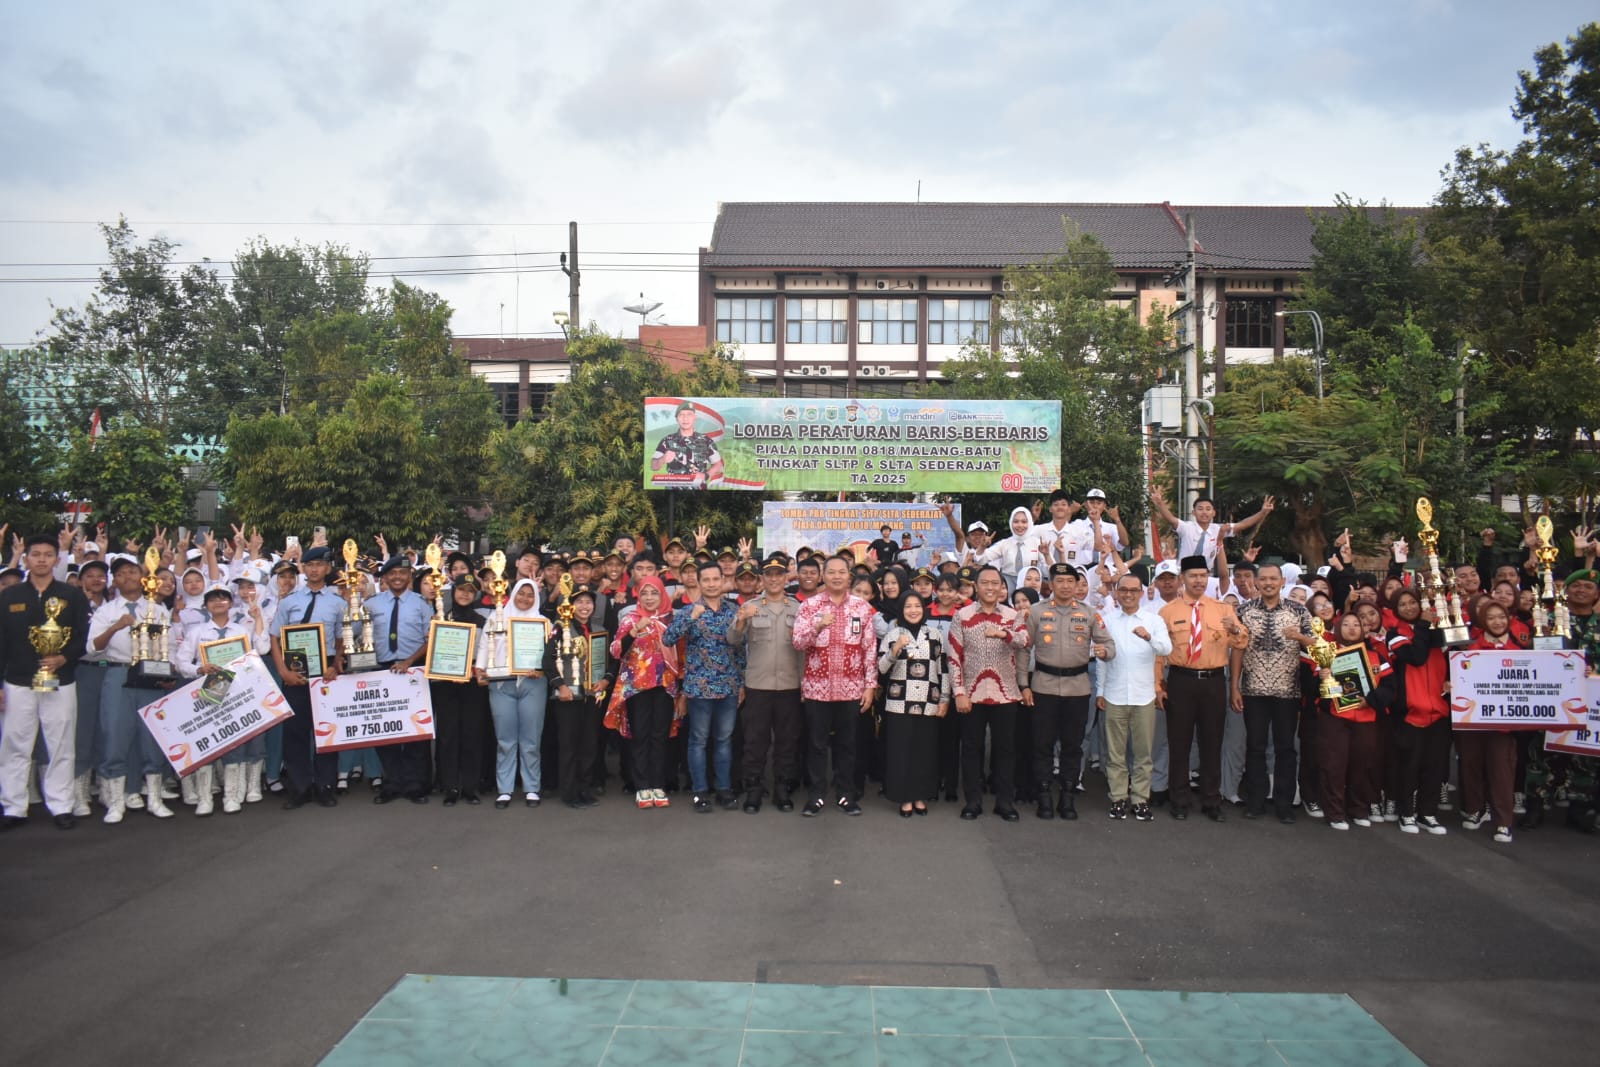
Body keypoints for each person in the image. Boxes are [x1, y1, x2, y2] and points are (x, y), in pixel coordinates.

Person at [0, 535, 92, 831]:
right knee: (16, 743)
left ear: (56, 559)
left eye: (47, 554)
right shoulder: (10, 596)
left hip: (59, 681)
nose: (41, 559)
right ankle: (14, 806)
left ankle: (61, 804)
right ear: (25, 558)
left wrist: (64, 658)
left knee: (61, 743)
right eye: (35, 554)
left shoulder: (72, 595)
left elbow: (81, 637)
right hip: (18, 681)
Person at [1158, 555, 1250, 822]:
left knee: (1212, 741)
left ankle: (1212, 800)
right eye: (1192, 576)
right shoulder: (1168, 611)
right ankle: (1179, 799)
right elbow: (1158, 655)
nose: (1198, 580)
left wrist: (1236, 629)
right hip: (1180, 680)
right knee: (1179, 742)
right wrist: (1158, 686)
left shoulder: (1222, 609)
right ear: (1182, 579)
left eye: (1202, 575)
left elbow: (1241, 643)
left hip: (1213, 681)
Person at [1021, 563, 1115, 821]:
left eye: (1069, 581)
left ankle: (1067, 796)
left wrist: (1105, 651)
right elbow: (1023, 649)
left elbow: (1108, 643)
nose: (1064, 586)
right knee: (1042, 744)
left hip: (1077, 688)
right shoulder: (1037, 612)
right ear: (1050, 585)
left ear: (1076, 585)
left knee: (1073, 746)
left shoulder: (1089, 613)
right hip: (1044, 686)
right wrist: (1023, 685)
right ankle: (1043, 796)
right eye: (1059, 581)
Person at [1230, 563, 1318, 824]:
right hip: (1253, 689)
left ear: (1282, 582)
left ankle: (1284, 803)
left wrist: (1300, 638)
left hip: (1287, 692)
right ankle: (1255, 801)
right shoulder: (1244, 611)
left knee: (1286, 749)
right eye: (1264, 579)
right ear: (1256, 582)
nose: (1268, 583)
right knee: (1255, 747)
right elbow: (1237, 649)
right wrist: (1234, 686)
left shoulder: (1299, 611)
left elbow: (1317, 646)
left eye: (1273, 579)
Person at [791, 555, 878, 817]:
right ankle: (816, 795)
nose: (837, 576)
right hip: (818, 689)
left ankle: (845, 794)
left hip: (851, 689)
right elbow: (798, 643)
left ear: (849, 576)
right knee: (816, 745)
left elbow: (870, 648)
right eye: (832, 572)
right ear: (823, 576)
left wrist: (870, 685)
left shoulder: (861, 607)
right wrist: (818, 625)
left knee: (847, 745)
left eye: (842, 572)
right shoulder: (809, 606)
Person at [174, 584, 269, 814]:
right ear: (206, 606)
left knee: (235, 742)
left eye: (223, 598)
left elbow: (263, 648)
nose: (218, 602)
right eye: (213, 599)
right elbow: (180, 662)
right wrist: (199, 668)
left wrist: (258, 620)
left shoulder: (240, 631)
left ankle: (231, 796)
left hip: (238, 692)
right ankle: (205, 798)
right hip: (209, 693)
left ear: (231, 603)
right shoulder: (196, 632)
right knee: (207, 743)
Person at [949, 565, 1031, 821]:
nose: (990, 588)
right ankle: (972, 801)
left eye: (995, 583)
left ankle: (1004, 802)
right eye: (985, 583)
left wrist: (1003, 633)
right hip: (971, 695)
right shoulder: (962, 615)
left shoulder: (1012, 615)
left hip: (1005, 693)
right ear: (976, 586)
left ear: (1001, 587)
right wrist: (959, 692)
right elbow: (953, 657)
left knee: (1005, 750)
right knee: (971, 749)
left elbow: (1025, 641)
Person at [661, 560, 744, 813]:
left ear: (723, 581)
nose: (711, 584)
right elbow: (668, 638)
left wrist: (742, 683)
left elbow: (741, 650)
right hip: (699, 687)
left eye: (715, 579)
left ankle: (724, 789)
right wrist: (689, 620)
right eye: (705, 580)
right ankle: (699, 791)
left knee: (724, 740)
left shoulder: (733, 610)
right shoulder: (689, 610)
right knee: (698, 740)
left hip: (729, 685)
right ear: (698, 582)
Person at [270, 544, 348, 810]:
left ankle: (325, 785)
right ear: (303, 568)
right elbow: (275, 636)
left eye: (320, 565)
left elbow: (341, 638)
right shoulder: (290, 601)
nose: (315, 569)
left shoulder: (338, 603)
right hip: (294, 669)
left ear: (327, 569)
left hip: (324, 669)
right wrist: (283, 671)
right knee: (295, 732)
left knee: (327, 729)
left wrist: (336, 664)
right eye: (310, 565)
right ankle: (299, 787)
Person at [727, 556, 805, 813]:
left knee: (787, 741)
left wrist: (805, 683)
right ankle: (753, 790)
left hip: (789, 685)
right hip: (758, 685)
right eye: (769, 574)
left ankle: (782, 789)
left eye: (778, 574)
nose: (773, 579)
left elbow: (805, 650)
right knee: (755, 741)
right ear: (762, 579)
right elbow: (733, 640)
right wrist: (741, 620)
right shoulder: (750, 606)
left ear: (785, 578)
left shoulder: (797, 608)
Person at [1098, 572, 1173, 820]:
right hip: (1115, 694)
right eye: (1124, 590)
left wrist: (1149, 637)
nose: (1128, 595)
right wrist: (1100, 691)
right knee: (1115, 753)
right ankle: (1118, 797)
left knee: (1143, 753)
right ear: (1117, 593)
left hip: (1143, 695)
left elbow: (1167, 648)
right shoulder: (1108, 620)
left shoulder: (1153, 620)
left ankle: (1141, 799)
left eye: (1133, 590)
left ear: (1141, 593)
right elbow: (1101, 659)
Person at [1314, 612, 1395, 831]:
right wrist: (1323, 679)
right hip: (1335, 718)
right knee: (1334, 766)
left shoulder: (1376, 656)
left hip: (1367, 719)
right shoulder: (1326, 655)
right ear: (1338, 628)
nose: (1351, 628)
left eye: (1356, 625)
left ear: (1363, 629)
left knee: (1363, 765)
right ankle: (1335, 812)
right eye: (1346, 624)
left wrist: (1369, 701)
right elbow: (1314, 690)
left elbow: (1390, 688)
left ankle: (1358, 809)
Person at [606, 576, 681, 809]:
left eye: (654, 593)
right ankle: (642, 786)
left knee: (660, 736)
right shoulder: (631, 619)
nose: (649, 598)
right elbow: (616, 650)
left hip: (665, 687)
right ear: (639, 595)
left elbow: (682, 652)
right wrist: (633, 632)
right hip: (637, 687)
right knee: (640, 736)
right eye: (645, 593)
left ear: (662, 595)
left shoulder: (672, 620)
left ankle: (657, 784)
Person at [366, 556, 436, 805]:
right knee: (387, 731)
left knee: (415, 730)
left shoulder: (421, 604)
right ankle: (392, 783)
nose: (397, 577)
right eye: (392, 573)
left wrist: (409, 661)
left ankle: (416, 784)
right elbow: (357, 634)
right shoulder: (371, 605)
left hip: (413, 668)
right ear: (384, 577)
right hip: (382, 670)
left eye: (402, 573)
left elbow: (430, 638)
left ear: (409, 577)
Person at [878, 592, 951, 816]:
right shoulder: (893, 634)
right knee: (901, 751)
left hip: (929, 701)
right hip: (899, 703)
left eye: (917, 606)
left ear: (924, 609)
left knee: (924, 751)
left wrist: (945, 699)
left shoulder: (935, 635)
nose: (913, 610)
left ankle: (921, 795)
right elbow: (881, 669)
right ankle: (904, 797)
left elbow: (943, 669)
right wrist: (894, 650)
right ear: (901, 609)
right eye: (908, 606)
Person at [1385, 588, 1451, 834]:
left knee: (1434, 766)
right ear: (1396, 610)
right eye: (1403, 604)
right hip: (1409, 712)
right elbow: (1416, 657)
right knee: (1409, 766)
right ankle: (1407, 812)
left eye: (1413, 602)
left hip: (1438, 710)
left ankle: (1428, 813)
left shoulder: (1436, 632)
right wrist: (1423, 625)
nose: (1409, 607)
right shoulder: (1394, 635)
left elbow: (1454, 658)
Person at [479, 578, 549, 809]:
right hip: (501, 684)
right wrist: (481, 670)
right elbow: (483, 649)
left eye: (530, 595)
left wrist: (541, 669)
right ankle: (505, 789)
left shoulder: (543, 622)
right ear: (514, 593)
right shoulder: (496, 618)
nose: (525, 599)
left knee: (531, 739)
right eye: (521, 593)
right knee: (505, 739)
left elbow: (548, 657)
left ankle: (532, 788)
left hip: (532, 684)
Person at [1458, 601, 1520, 843]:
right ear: (1483, 621)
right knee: (1470, 765)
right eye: (1491, 617)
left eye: (1501, 617)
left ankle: (1503, 821)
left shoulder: (1520, 651)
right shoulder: (1470, 649)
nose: (1497, 622)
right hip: (1472, 720)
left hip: (1503, 724)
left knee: (1501, 771)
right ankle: (1475, 810)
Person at [549, 584, 610, 810]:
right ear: (570, 606)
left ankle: (585, 788)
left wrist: (605, 680)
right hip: (568, 697)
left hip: (592, 695)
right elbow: (548, 660)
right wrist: (560, 686)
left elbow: (608, 660)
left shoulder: (598, 629)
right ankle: (569, 791)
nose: (584, 606)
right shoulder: (560, 628)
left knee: (589, 744)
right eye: (579, 602)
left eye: (588, 602)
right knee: (569, 745)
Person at [431, 575, 489, 807]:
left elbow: (486, 652)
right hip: (446, 682)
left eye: (470, 591)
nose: (465, 594)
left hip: (472, 683)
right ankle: (450, 787)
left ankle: (470, 787)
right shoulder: (441, 618)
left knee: (472, 735)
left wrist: (475, 669)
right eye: (461, 590)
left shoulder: (481, 621)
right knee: (448, 736)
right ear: (453, 591)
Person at [1149, 486, 1275, 572]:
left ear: (1213, 513)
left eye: (1208, 509)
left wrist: (1263, 512)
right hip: (1183, 572)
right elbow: (1170, 518)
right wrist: (1159, 503)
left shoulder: (1218, 529)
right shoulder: (1186, 527)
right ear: (1193, 512)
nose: (1204, 512)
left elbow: (1242, 524)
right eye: (1200, 509)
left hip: (1205, 574)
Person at [650, 401, 723, 486]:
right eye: (681, 415)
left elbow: (718, 464)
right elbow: (654, 466)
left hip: (699, 491)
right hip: (674, 492)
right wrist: (662, 459)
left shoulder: (706, 441)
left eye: (689, 414)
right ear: (677, 418)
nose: (685, 418)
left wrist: (705, 475)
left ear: (695, 418)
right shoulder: (667, 440)